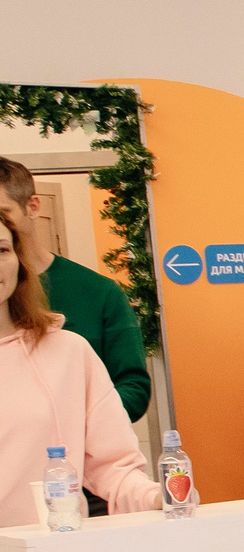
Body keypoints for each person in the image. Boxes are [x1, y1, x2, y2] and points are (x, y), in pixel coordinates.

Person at [1, 219, 157, 517]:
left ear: (19, 263)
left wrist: (156, 498)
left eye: (2, 249)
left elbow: (114, 467)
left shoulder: (69, 351)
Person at [0, 158, 148, 420]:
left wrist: (74, 419)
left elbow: (133, 387)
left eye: (3, 213)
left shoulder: (98, 292)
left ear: (32, 206)